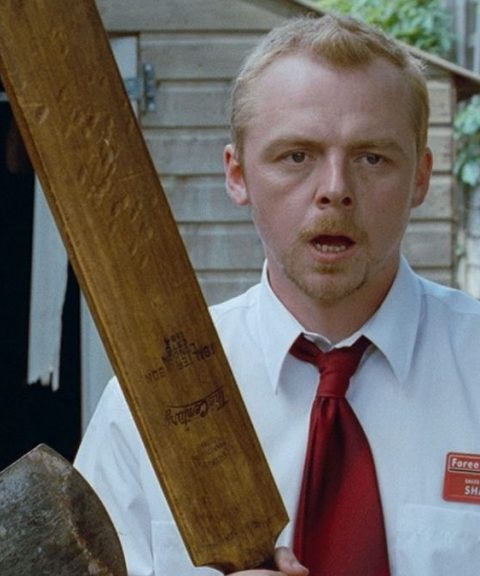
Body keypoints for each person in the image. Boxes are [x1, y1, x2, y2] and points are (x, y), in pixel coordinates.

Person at [75, 13, 480, 576]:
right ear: (237, 174)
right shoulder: (148, 404)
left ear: (420, 177)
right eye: (297, 156)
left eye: (371, 158)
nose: (335, 190)